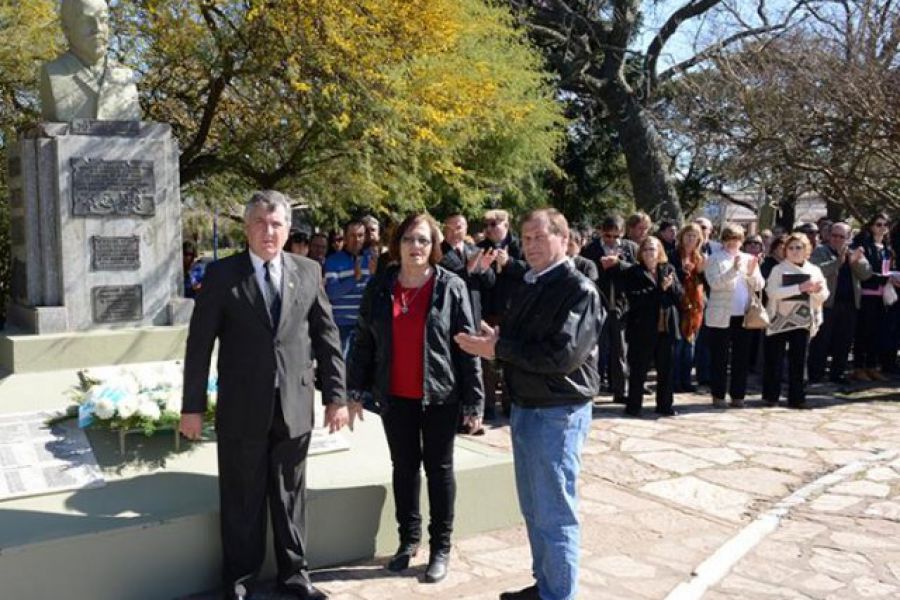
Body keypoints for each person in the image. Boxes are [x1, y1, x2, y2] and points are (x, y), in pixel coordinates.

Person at [181, 190, 348, 600]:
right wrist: (192, 408)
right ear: (246, 228)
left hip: (294, 406)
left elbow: (327, 338)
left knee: (291, 496)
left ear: (288, 229)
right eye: (259, 222)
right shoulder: (222, 276)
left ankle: (294, 575)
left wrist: (336, 397)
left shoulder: (308, 271)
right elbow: (199, 345)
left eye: (276, 224)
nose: (268, 231)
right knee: (242, 497)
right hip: (241, 408)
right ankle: (240, 579)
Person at [455, 208, 601, 600]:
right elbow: (526, 341)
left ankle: (558, 594)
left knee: (555, 512)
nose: (530, 245)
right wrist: (497, 337)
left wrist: (499, 348)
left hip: (558, 413)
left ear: (563, 237)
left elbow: (562, 356)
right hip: (527, 407)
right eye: (526, 237)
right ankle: (546, 586)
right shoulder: (532, 282)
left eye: (539, 237)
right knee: (536, 509)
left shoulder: (578, 289)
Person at [347, 213, 484, 584]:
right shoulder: (380, 287)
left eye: (424, 240)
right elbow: (363, 341)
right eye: (409, 239)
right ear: (398, 243)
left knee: (439, 471)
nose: (416, 246)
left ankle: (441, 547)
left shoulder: (450, 286)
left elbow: (466, 347)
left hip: (440, 395)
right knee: (403, 469)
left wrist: (474, 402)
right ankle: (408, 542)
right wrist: (354, 389)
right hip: (395, 396)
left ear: (434, 245)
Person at [40, 0, 140, 122]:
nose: (98, 28)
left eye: (103, 20)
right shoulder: (54, 72)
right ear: (66, 29)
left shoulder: (124, 76)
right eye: (86, 21)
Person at [763, 234, 829, 408]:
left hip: (803, 320)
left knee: (799, 360)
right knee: (775, 358)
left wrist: (815, 290)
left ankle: (797, 397)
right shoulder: (778, 269)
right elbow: (772, 292)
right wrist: (798, 287)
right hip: (779, 319)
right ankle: (771, 396)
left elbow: (824, 295)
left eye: (798, 247)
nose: (794, 251)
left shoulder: (814, 270)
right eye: (790, 248)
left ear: (807, 250)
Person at [704, 223, 764, 408]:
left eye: (737, 239)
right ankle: (718, 395)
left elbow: (760, 285)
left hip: (743, 315)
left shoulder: (748, 258)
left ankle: (738, 395)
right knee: (720, 357)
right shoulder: (714, 258)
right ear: (723, 240)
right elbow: (714, 284)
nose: (733, 243)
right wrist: (734, 270)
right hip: (722, 315)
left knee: (741, 358)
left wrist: (753, 272)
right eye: (729, 239)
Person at [622, 237, 683, 417]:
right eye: (647, 249)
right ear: (641, 252)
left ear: (660, 252)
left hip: (666, 327)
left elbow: (679, 296)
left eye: (653, 249)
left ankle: (665, 405)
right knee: (639, 369)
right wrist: (659, 290)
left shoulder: (668, 269)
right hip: (643, 328)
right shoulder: (634, 272)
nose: (650, 253)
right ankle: (634, 406)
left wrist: (670, 287)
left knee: (666, 369)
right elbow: (635, 299)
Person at [476, 209, 528, 418]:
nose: (489, 229)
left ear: (506, 225)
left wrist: (509, 263)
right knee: (486, 362)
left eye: (493, 225)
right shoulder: (480, 248)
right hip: (488, 311)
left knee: (511, 361)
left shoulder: (520, 246)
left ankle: (510, 404)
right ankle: (488, 407)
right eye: (486, 225)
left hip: (513, 311)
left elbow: (531, 271)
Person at [581, 216, 637, 403]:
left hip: (621, 306)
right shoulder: (591, 249)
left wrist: (618, 264)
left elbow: (638, 272)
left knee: (620, 350)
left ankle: (620, 390)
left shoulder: (630, 248)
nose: (611, 239)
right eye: (608, 235)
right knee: (596, 350)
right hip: (599, 305)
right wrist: (601, 266)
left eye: (616, 236)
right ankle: (592, 390)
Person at [808, 222, 871, 384]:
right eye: (834, 235)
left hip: (849, 305)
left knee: (843, 341)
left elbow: (866, 274)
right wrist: (838, 262)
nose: (836, 239)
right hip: (828, 304)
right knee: (821, 340)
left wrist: (854, 261)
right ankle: (816, 374)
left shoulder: (854, 253)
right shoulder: (821, 251)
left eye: (841, 236)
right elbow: (817, 271)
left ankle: (838, 373)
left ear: (848, 238)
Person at [850, 213, 894, 381]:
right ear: (871, 226)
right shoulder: (863, 246)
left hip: (883, 297)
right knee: (863, 332)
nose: (882, 228)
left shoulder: (887, 249)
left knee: (878, 332)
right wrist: (887, 278)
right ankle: (859, 367)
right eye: (878, 224)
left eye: (885, 225)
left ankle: (872, 365)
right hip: (867, 296)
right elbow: (865, 274)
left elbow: (887, 270)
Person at [324, 220, 376, 356]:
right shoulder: (333, 260)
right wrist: (354, 279)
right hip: (342, 325)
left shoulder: (372, 259)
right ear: (345, 237)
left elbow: (377, 294)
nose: (356, 240)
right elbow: (332, 293)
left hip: (366, 325)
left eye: (360, 235)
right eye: (352, 235)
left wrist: (376, 275)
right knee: (342, 370)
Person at [439, 214, 496, 329]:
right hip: (450, 313)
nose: (454, 232)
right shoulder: (438, 252)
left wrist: (484, 269)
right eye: (449, 228)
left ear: (466, 229)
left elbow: (490, 283)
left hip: (473, 312)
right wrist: (468, 269)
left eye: (458, 228)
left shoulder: (474, 249)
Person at [671, 223, 706, 392]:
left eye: (694, 236)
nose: (691, 239)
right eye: (688, 235)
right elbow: (669, 275)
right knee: (678, 344)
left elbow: (706, 282)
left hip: (696, 306)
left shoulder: (701, 257)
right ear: (682, 237)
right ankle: (675, 380)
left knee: (690, 345)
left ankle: (686, 380)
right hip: (678, 304)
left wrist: (700, 271)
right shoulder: (673, 255)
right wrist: (681, 270)